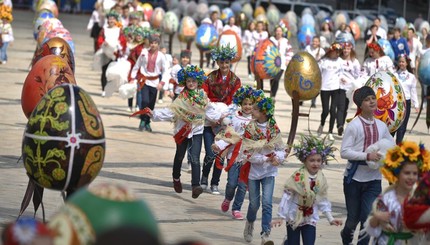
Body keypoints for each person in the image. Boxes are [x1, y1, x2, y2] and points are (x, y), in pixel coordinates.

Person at [139, 65, 208, 199]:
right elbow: (171, 112)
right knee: (180, 156)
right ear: (185, 82)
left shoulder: (202, 97)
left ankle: (195, 186)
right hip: (182, 131)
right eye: (189, 81)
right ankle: (176, 178)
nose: (191, 83)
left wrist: (223, 117)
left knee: (195, 158)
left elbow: (210, 110)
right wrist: (154, 114)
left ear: (198, 82)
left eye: (194, 81)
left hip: (197, 130)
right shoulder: (181, 98)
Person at [340, 86, 394, 245]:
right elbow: (344, 152)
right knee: (353, 219)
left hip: (374, 180)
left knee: (367, 218)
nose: (371, 101)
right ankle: (346, 233)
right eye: (366, 99)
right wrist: (366, 156)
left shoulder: (382, 126)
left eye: (373, 98)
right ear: (360, 105)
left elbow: (392, 146)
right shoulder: (354, 126)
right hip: (353, 180)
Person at [272, 134, 342, 245]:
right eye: (312, 160)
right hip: (294, 216)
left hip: (310, 217)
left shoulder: (321, 179)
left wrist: (330, 218)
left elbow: (322, 199)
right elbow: (287, 197)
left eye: (319, 160)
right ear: (304, 161)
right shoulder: (297, 177)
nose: (316, 163)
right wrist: (281, 216)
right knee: (293, 243)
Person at [241, 90, 286, 245]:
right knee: (254, 204)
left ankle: (265, 234)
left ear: (263, 112)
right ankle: (249, 224)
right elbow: (247, 152)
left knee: (267, 203)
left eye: (254, 109)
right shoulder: (250, 128)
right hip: (254, 172)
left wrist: (278, 158)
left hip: (269, 172)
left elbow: (281, 149)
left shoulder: (273, 128)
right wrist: (265, 158)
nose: (251, 111)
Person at [365, 140, 429, 244]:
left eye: (415, 173)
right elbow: (371, 229)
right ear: (397, 174)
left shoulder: (420, 199)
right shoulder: (386, 198)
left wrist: (416, 227)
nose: (411, 177)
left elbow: (425, 231)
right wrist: (377, 217)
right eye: (407, 173)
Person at [201, 44, 241, 195]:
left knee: (221, 153)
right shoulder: (210, 77)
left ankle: (215, 183)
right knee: (211, 152)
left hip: (226, 121)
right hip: (209, 121)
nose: (224, 65)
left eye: (227, 62)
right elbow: (204, 97)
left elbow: (236, 101)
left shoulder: (235, 80)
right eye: (221, 62)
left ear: (230, 62)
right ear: (217, 62)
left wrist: (225, 117)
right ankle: (204, 177)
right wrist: (211, 115)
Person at [212, 85, 254, 220]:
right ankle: (228, 198)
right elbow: (229, 135)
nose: (248, 107)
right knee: (231, 183)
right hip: (233, 156)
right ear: (240, 104)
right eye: (245, 104)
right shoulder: (234, 118)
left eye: (250, 104)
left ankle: (236, 208)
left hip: (247, 158)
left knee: (242, 186)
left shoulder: (256, 120)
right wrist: (219, 145)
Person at [131, 34, 166, 132]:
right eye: (151, 43)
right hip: (144, 80)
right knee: (145, 101)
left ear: (158, 45)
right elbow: (137, 65)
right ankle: (142, 120)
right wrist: (132, 77)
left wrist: (162, 82)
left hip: (155, 82)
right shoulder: (144, 53)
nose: (153, 45)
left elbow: (165, 70)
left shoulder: (161, 56)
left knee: (151, 104)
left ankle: (147, 121)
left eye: (155, 43)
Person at [96, 10, 127, 97]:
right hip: (105, 53)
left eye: (113, 19)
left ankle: (110, 88)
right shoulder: (104, 30)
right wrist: (103, 43)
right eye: (110, 19)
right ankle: (104, 89)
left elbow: (123, 41)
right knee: (104, 71)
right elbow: (99, 39)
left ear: (116, 20)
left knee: (112, 72)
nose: (111, 21)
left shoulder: (119, 30)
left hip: (115, 53)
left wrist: (119, 48)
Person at [317, 43, 343, 141]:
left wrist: (343, 80)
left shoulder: (340, 61)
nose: (337, 53)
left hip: (335, 88)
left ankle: (330, 131)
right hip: (324, 88)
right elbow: (317, 75)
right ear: (331, 51)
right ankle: (322, 124)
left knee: (333, 110)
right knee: (326, 110)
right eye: (336, 51)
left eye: (339, 52)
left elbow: (342, 74)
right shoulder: (323, 61)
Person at [393, 54, 419, 144]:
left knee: (403, 126)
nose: (401, 63)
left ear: (407, 63)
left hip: (406, 102)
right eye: (400, 62)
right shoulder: (394, 75)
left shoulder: (411, 77)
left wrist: (416, 105)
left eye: (403, 62)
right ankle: (389, 144)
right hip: (396, 102)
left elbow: (413, 91)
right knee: (394, 124)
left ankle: (398, 145)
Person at [339, 42, 361, 134]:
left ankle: (342, 123)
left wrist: (354, 83)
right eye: (344, 49)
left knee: (345, 108)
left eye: (348, 49)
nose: (345, 51)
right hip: (340, 86)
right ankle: (339, 125)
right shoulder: (339, 60)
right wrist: (340, 78)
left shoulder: (355, 61)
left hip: (350, 88)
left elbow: (358, 75)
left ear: (351, 50)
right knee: (340, 106)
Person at [268, 25, 293, 100]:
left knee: (276, 79)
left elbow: (290, 51)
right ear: (275, 32)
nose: (278, 32)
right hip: (271, 63)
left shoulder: (285, 41)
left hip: (281, 64)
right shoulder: (271, 40)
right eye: (277, 31)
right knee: (272, 79)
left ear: (282, 32)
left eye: (280, 31)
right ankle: (272, 93)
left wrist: (288, 59)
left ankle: (273, 96)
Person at [305, 36, 326, 108]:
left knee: (315, 87)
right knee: (305, 85)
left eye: (316, 41)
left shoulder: (322, 51)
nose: (314, 43)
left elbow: (324, 61)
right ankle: (301, 99)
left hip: (317, 71)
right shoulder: (308, 48)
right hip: (308, 70)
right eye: (313, 41)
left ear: (319, 43)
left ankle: (313, 102)